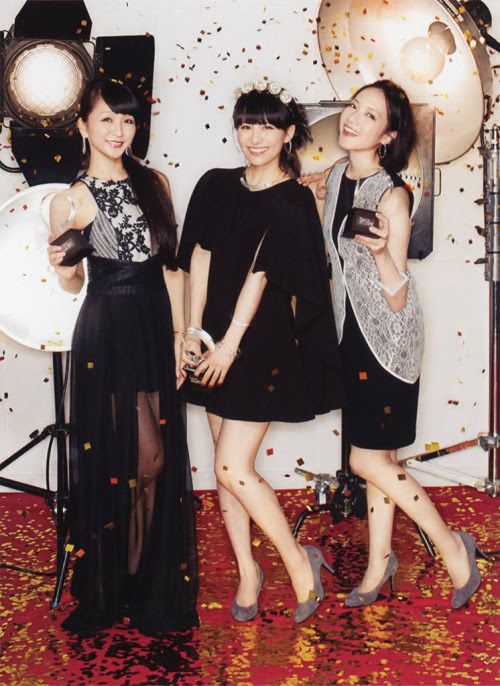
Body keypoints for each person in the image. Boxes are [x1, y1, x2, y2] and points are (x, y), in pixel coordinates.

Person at [300, 79, 482, 609]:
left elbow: (397, 295)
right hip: (350, 333)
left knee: (365, 460)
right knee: (378, 455)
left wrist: (382, 254)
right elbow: (328, 243)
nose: (353, 118)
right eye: (354, 107)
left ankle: (453, 546)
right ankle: (379, 564)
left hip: (390, 340)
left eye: (370, 116)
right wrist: (311, 192)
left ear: (388, 136)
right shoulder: (337, 175)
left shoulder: (394, 195)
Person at [177, 80, 343, 623]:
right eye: (247, 125)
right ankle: (248, 573)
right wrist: (192, 331)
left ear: (289, 133)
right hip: (212, 338)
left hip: (259, 341)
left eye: (268, 127)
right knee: (224, 466)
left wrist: (229, 345)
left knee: (231, 465)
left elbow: (261, 273)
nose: (255, 137)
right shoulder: (215, 184)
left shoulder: (293, 199)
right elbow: (199, 257)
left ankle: (298, 564)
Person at [47, 79, 198, 634]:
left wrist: (181, 335)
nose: (118, 130)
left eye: (128, 120)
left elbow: (172, 267)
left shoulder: (154, 183)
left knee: (154, 463)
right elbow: (71, 285)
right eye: (107, 119)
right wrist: (64, 268)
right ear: (83, 126)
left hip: (154, 325)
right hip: (107, 331)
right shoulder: (69, 201)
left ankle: (142, 581)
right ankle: (113, 582)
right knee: (133, 461)